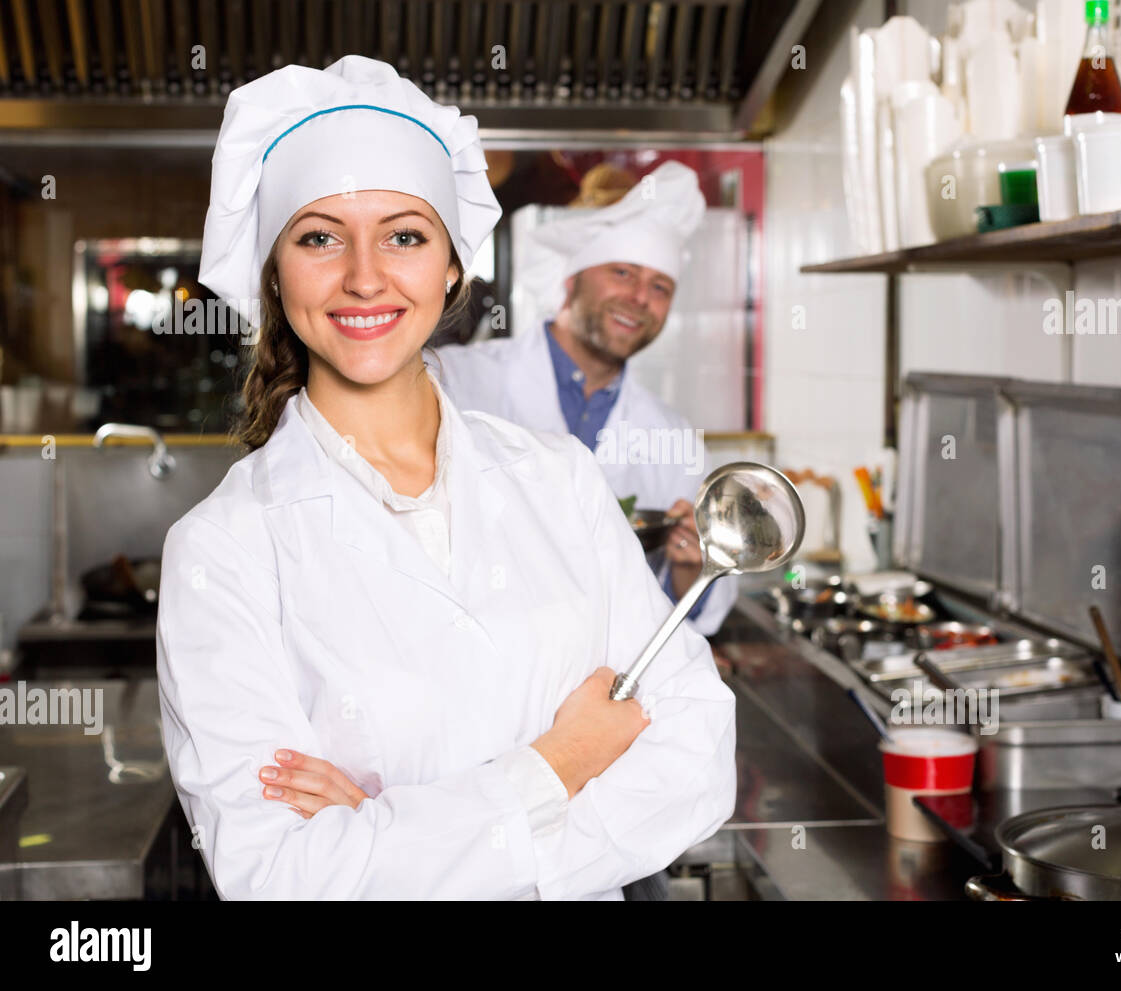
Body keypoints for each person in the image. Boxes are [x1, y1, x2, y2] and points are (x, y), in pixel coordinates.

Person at [155, 55, 735, 900]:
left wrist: (392, 835)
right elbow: (277, 875)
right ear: (275, 275)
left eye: (405, 235)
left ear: (454, 266)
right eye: (319, 236)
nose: (364, 274)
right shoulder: (221, 550)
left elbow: (699, 754)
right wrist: (562, 764)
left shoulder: (560, 482)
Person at [433, 161, 738, 637]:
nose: (640, 297)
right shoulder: (458, 380)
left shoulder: (674, 436)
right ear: (572, 280)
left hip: (609, 686)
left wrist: (690, 564)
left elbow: (697, 615)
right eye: (622, 272)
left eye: (660, 287)